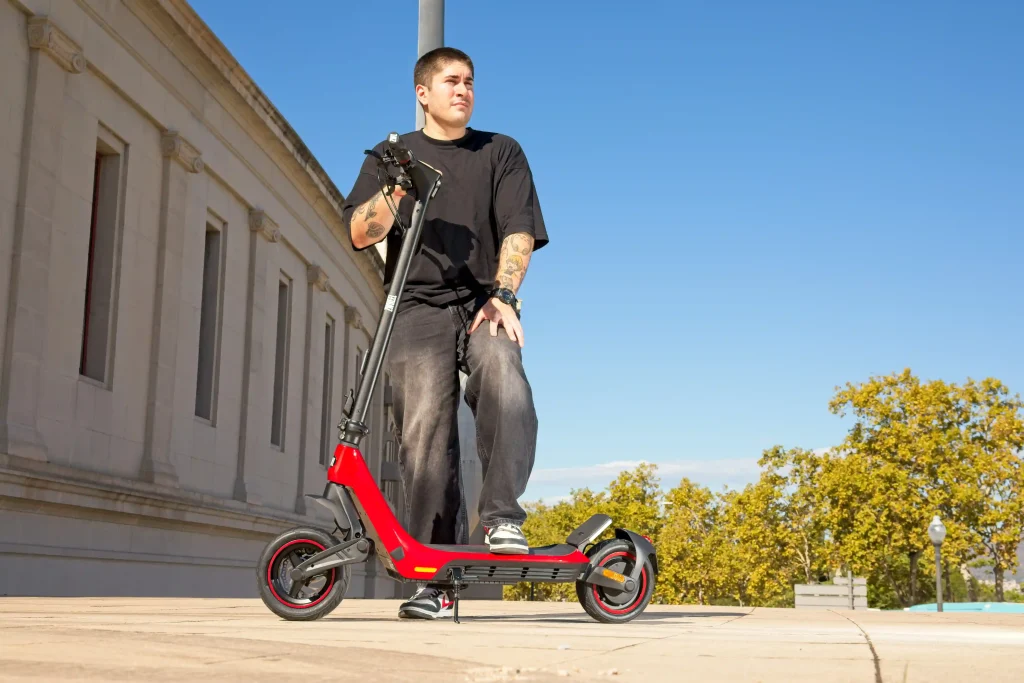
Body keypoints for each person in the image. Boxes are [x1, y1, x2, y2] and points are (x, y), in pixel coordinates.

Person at [341, 46, 548, 619]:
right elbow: (360, 232)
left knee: (504, 373)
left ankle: (502, 515)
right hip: (416, 306)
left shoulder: (499, 151)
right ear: (422, 93)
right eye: (451, 81)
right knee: (426, 431)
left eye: (470, 82)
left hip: (485, 301)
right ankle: (433, 576)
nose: (463, 90)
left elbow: (519, 231)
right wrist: (396, 188)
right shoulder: (392, 154)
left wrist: (504, 295)